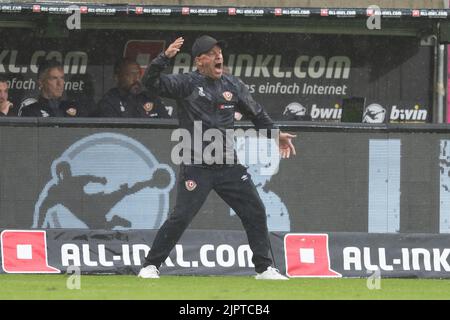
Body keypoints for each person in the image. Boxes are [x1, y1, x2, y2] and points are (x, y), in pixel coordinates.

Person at [137, 35, 297, 280]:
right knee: (181, 217)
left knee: (255, 210)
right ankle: (150, 265)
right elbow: (150, 83)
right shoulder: (186, 83)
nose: (218, 56)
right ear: (200, 61)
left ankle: (264, 268)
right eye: (211, 53)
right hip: (197, 165)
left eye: (219, 52)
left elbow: (256, 113)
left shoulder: (233, 86)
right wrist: (163, 58)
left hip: (228, 165)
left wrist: (275, 135)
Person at [98, 58, 170, 118]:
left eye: (138, 74)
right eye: (130, 75)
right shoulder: (109, 102)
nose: (136, 79)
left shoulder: (150, 98)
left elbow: (168, 126)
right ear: (117, 78)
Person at [19, 59, 88, 117]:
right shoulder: (30, 111)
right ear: (41, 82)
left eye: (62, 78)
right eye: (54, 78)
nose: (60, 83)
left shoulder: (73, 107)